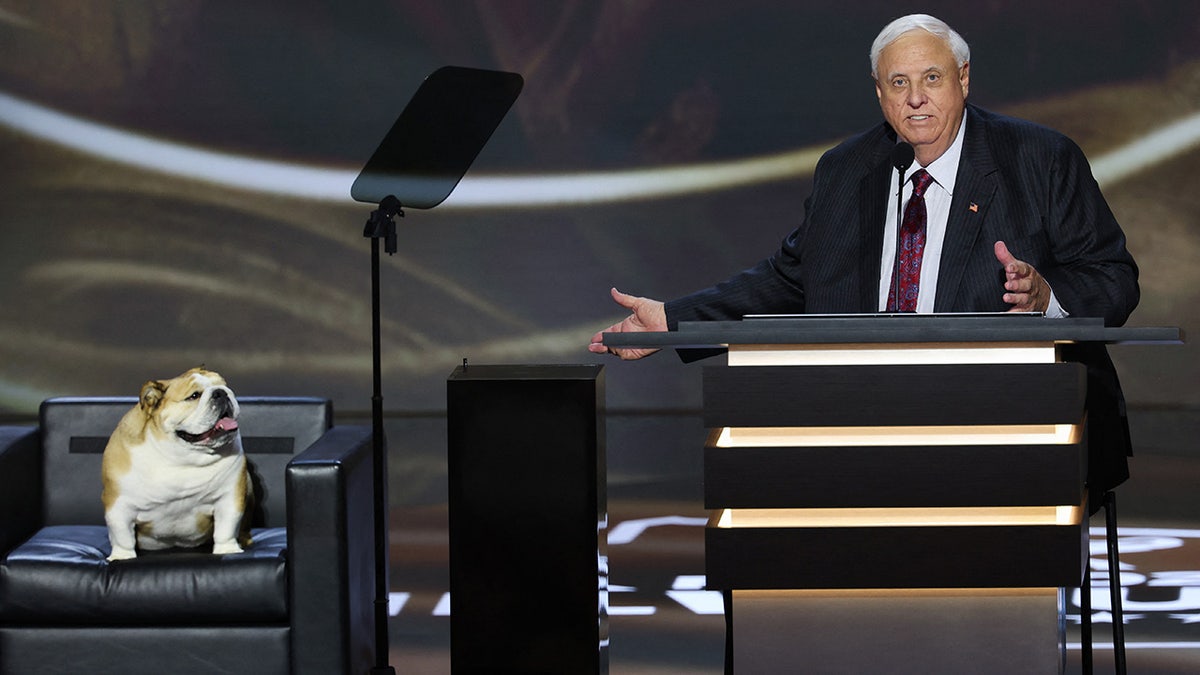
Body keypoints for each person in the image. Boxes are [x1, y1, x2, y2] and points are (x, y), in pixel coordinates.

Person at [588, 13, 1139, 499]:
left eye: (932, 78)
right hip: (865, 420)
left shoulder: (1039, 160)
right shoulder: (848, 170)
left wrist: (1047, 298)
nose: (916, 98)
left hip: (1011, 422)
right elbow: (790, 280)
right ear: (879, 93)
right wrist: (675, 321)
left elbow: (1114, 278)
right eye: (899, 83)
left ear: (963, 80)